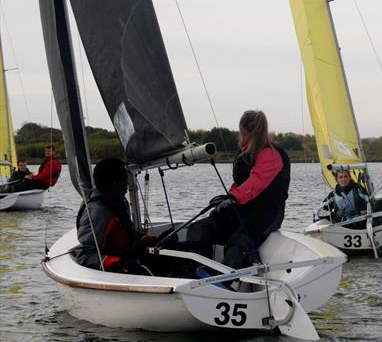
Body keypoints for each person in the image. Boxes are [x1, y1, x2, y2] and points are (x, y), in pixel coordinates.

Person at [184, 110, 291, 269]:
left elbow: (257, 182)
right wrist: (227, 198)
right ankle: (197, 272)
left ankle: (224, 284)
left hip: (267, 213)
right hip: (242, 209)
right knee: (198, 229)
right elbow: (240, 184)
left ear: (243, 130)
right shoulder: (244, 153)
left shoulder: (271, 154)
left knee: (238, 243)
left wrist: (233, 197)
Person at [71, 158, 158, 272]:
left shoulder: (119, 202)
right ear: (115, 184)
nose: (127, 183)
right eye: (124, 179)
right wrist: (117, 263)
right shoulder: (97, 213)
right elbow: (84, 255)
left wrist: (150, 240)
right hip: (115, 270)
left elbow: (127, 235)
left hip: (129, 257)